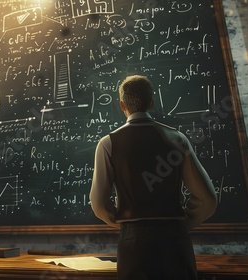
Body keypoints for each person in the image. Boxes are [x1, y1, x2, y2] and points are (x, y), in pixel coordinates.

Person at [90, 75, 217, 280]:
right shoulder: (177, 138)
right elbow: (207, 199)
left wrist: (124, 223)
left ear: (122, 105)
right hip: (175, 240)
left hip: (134, 242)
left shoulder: (107, 144)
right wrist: (183, 223)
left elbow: (98, 204)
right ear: (151, 102)